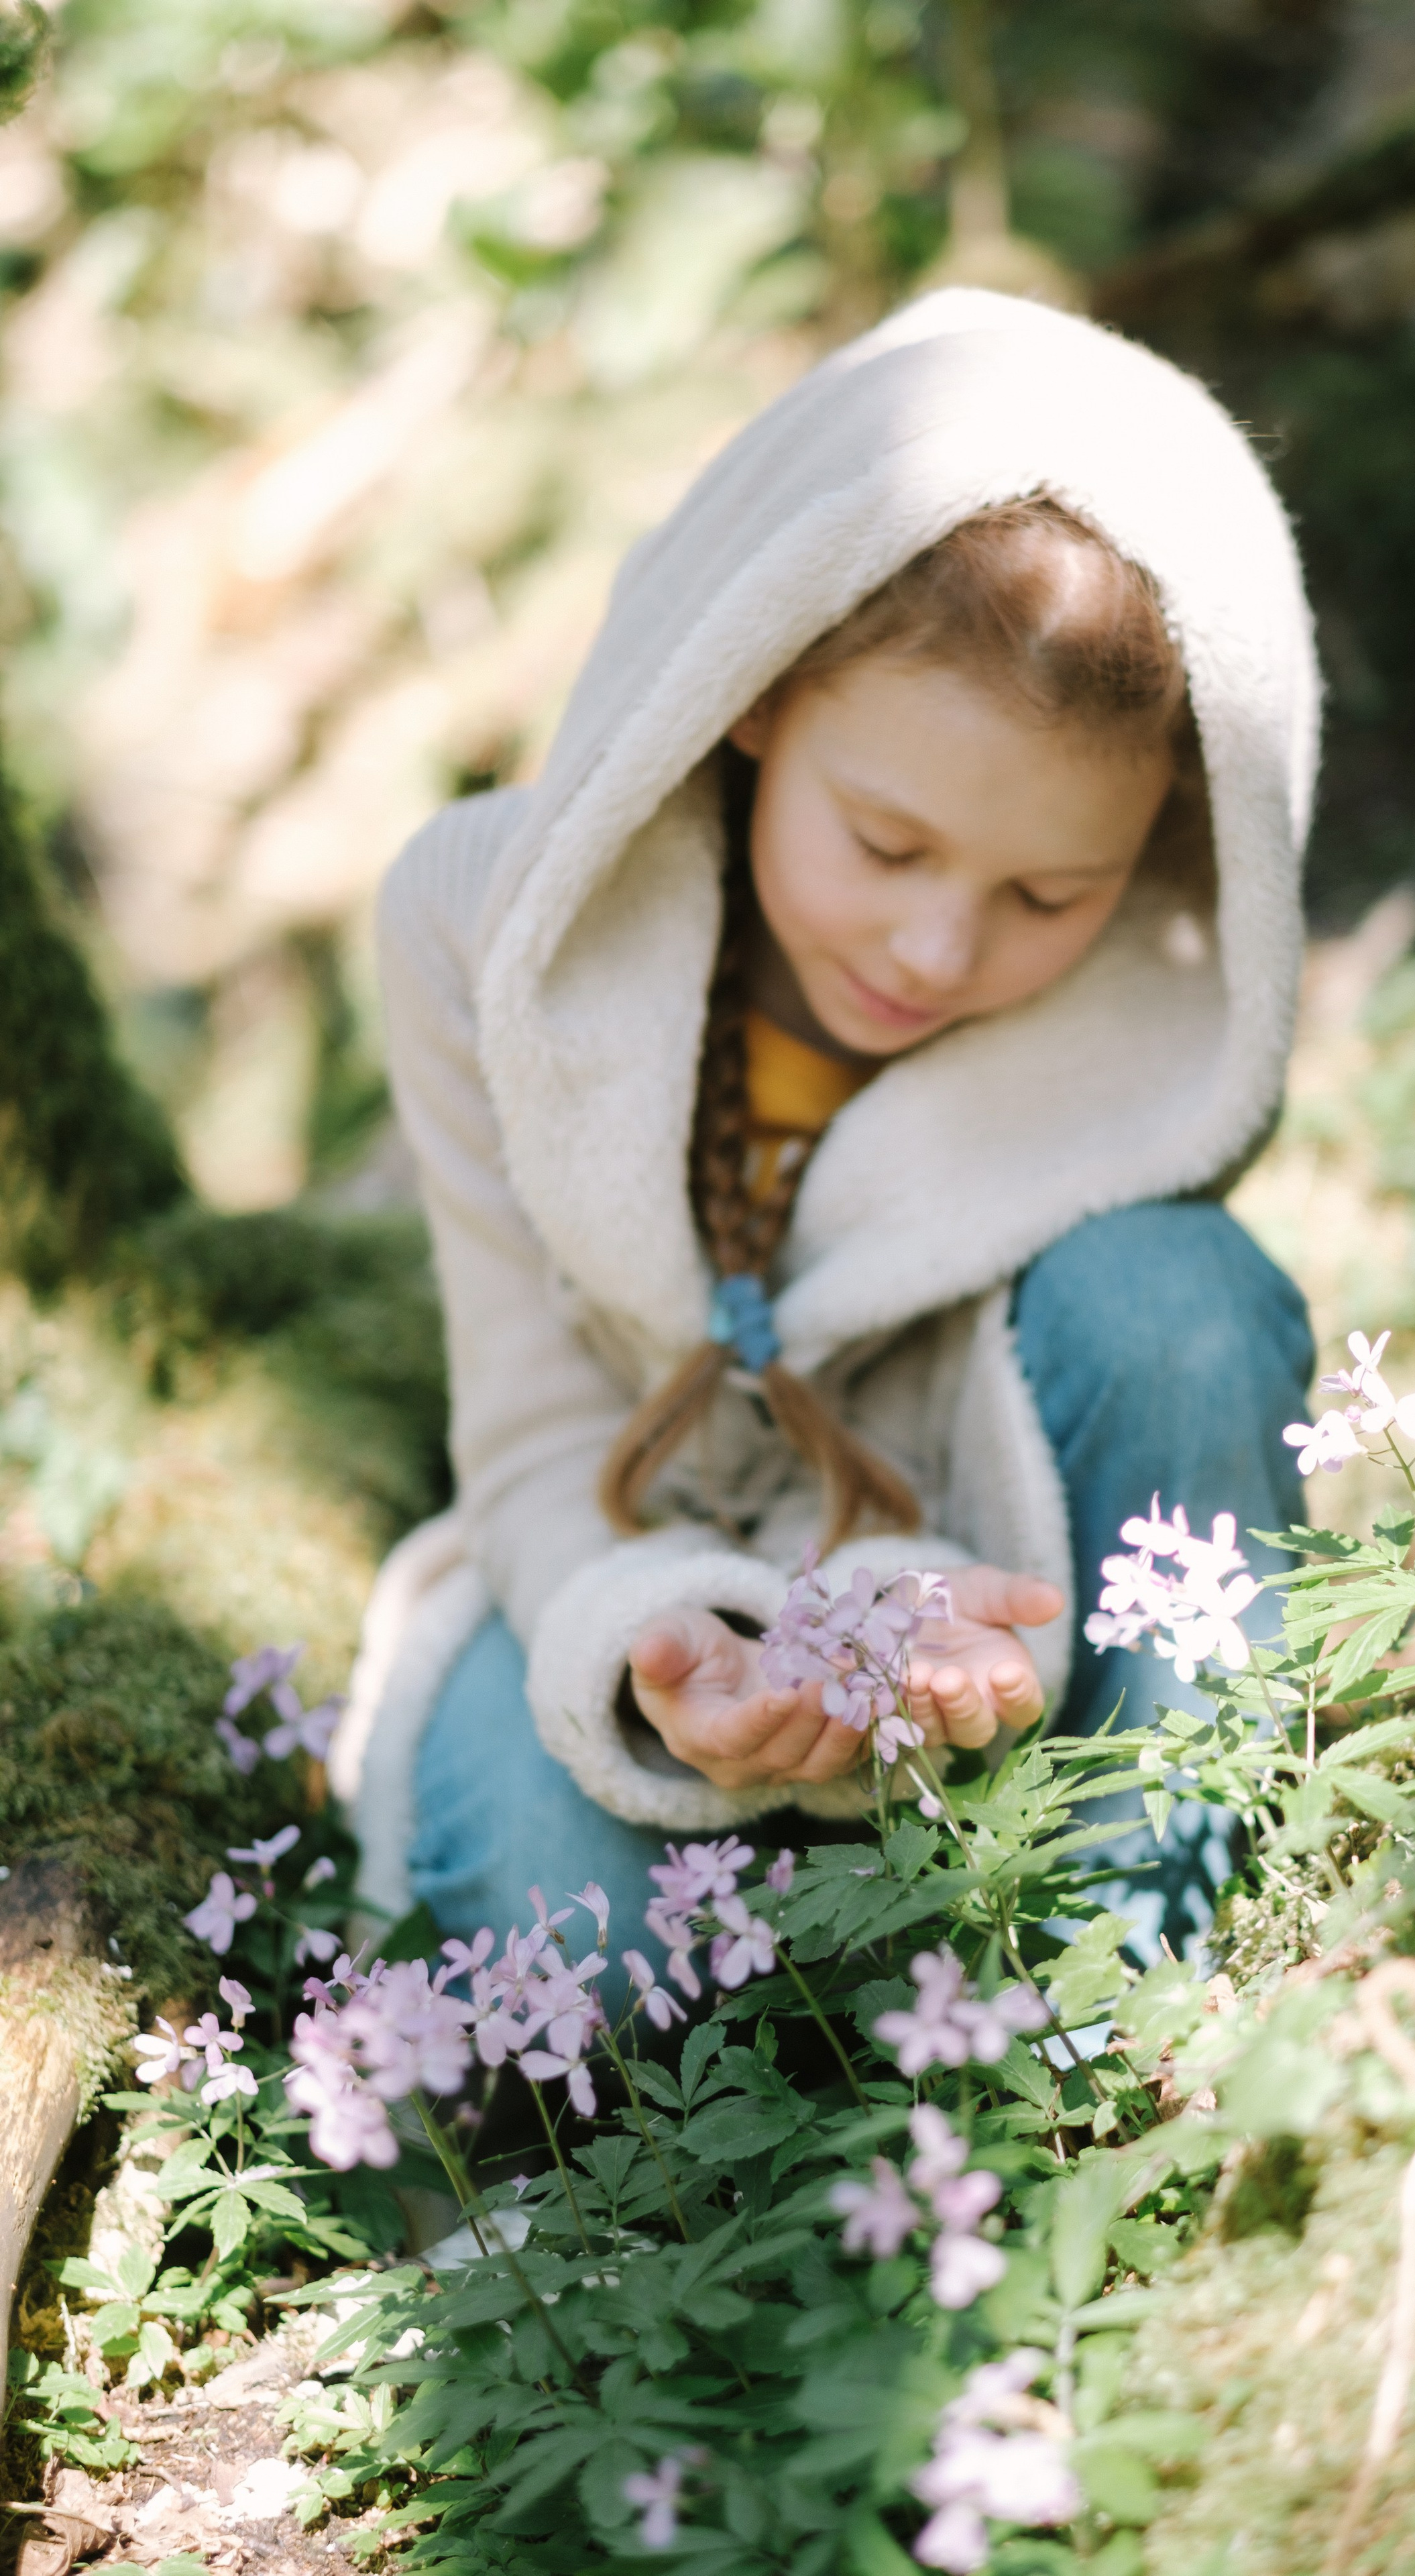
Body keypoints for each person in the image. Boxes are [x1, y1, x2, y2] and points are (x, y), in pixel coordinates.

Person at [329, 288, 1318, 1978]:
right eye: (883, 843)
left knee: (1184, 1291)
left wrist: (921, 1606)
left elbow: (1078, 1399)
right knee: (555, 1919)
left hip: (989, 1603)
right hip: (619, 1593)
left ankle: (1135, 1999)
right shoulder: (485, 935)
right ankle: (718, 2161)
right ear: (750, 688)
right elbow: (529, 1428)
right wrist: (676, 1642)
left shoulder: (1140, 1028)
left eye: (1045, 894)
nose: (936, 953)